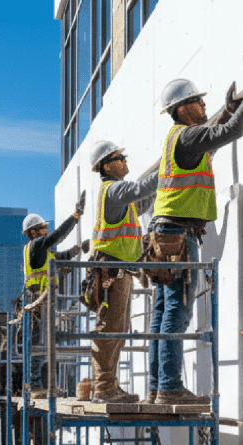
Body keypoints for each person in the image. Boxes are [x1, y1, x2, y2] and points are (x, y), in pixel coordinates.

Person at [145, 60, 243, 405]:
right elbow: (229, 134)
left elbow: (211, 143)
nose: (203, 105)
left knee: (163, 314)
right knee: (177, 313)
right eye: (198, 101)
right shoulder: (186, 136)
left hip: (165, 235)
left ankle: (158, 387)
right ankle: (169, 388)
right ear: (183, 109)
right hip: (177, 237)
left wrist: (228, 111)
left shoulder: (177, 140)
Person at [85, 140, 158, 403]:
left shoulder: (120, 198)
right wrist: (171, 163)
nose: (126, 160)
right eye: (120, 157)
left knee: (119, 327)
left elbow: (143, 199)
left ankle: (108, 386)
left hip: (119, 271)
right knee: (110, 328)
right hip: (110, 273)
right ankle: (103, 389)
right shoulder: (113, 190)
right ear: (107, 165)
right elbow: (141, 188)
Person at [21, 194, 89, 397]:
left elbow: (62, 256)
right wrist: (75, 215)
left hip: (42, 303)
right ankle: (33, 386)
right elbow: (58, 235)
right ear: (33, 232)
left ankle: (45, 386)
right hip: (37, 303)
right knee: (38, 346)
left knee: (46, 345)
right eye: (42, 228)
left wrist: (78, 249)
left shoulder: (44, 252)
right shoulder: (36, 245)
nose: (46, 230)